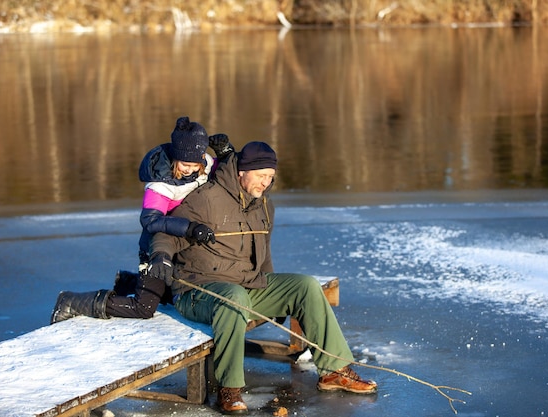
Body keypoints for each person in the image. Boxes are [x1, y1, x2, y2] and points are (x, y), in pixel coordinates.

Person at [147, 141, 377, 415]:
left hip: (245, 286)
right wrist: (160, 256)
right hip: (199, 291)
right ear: (242, 172)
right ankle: (229, 389)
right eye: (261, 176)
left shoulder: (264, 206)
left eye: (270, 177)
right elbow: (165, 233)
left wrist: (270, 289)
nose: (266, 183)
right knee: (234, 297)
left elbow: (263, 254)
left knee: (305, 286)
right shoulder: (206, 198)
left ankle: (334, 371)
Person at [50, 117, 234, 323]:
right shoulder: (160, 185)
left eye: (195, 164)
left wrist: (226, 151)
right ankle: (71, 301)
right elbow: (150, 220)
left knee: (173, 292)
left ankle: (129, 283)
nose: (190, 169)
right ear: (175, 158)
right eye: (185, 164)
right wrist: (189, 227)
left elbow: (227, 177)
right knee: (144, 307)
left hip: (183, 244)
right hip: (156, 247)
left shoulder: (205, 164)